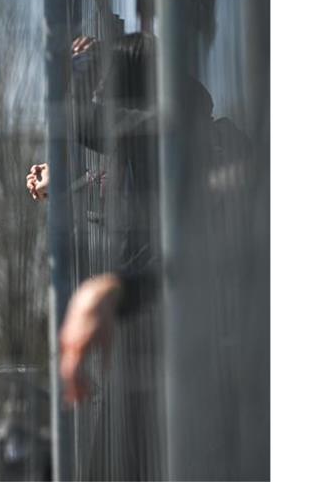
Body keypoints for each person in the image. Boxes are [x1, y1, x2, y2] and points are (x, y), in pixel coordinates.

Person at [27, 32, 239, 403]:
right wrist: (59, 182)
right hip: (182, 327)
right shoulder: (190, 135)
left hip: (182, 337)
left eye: (108, 88)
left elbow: (83, 121)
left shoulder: (165, 131)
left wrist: (80, 68)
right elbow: (119, 190)